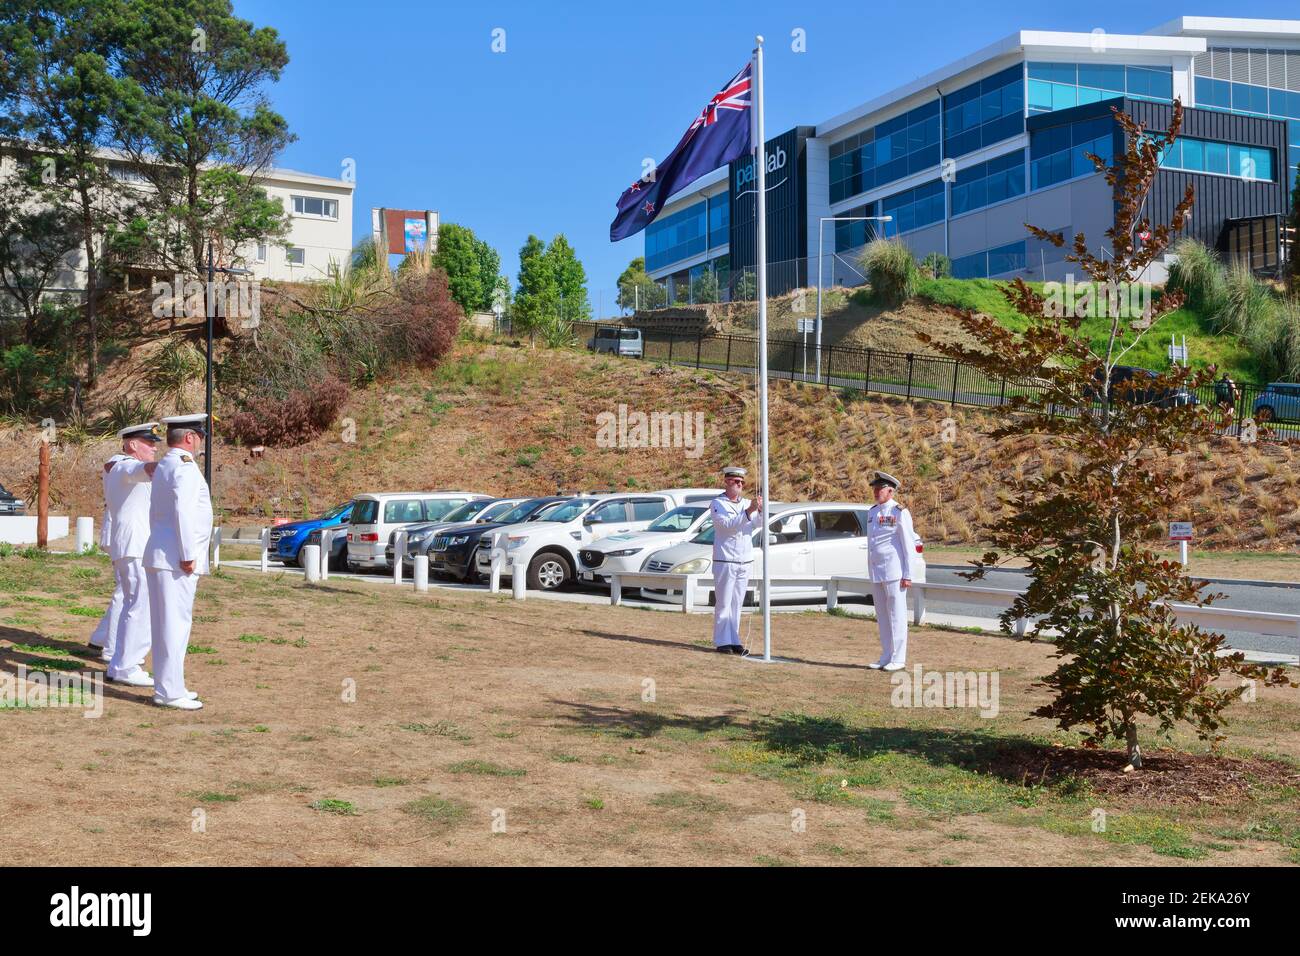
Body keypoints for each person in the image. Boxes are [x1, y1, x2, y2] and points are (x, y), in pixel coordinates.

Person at [143, 414, 213, 710]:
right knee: (174, 625)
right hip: (176, 558)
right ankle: (170, 692)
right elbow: (184, 513)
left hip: (162, 552)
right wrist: (187, 555)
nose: (201, 443)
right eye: (200, 437)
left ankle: (169, 686)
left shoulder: (167, 465)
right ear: (189, 438)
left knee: (165, 625)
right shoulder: (184, 467)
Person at [103, 423, 163, 687]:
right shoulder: (122, 465)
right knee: (139, 604)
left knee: (132, 603)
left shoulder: (121, 465)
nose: (154, 447)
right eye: (148, 442)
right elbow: (144, 469)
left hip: (135, 544)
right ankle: (128, 665)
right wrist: (174, 462)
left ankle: (120, 663)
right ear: (131, 445)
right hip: (134, 544)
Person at [865, 471, 920, 672]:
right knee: (882, 616)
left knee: (897, 615)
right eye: (874, 488)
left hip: (894, 571)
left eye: (880, 489)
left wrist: (908, 574)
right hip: (877, 571)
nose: (876, 492)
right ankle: (886, 655)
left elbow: (909, 545)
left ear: (891, 490)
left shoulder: (899, 512)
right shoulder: (872, 512)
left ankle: (899, 658)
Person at [709, 465, 762, 655]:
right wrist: (749, 512)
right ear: (727, 482)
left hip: (744, 559)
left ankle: (734, 639)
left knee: (737, 603)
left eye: (741, 482)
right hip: (725, 559)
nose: (739, 485)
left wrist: (761, 511)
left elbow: (758, 524)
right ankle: (722, 640)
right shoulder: (718, 503)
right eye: (735, 481)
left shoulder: (746, 503)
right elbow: (726, 526)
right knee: (723, 602)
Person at [87, 451, 129, 660]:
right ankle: (111, 648)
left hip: (123, 534)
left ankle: (101, 637)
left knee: (126, 589)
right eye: (147, 443)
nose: (152, 448)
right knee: (125, 591)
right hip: (118, 534)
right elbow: (110, 466)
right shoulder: (119, 461)